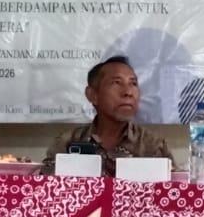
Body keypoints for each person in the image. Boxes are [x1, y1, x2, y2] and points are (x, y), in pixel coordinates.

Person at [41, 56, 176, 177]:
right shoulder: (67, 142)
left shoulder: (153, 145)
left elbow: (173, 190)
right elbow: (46, 189)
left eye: (133, 83)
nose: (128, 92)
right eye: (116, 82)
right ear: (93, 95)